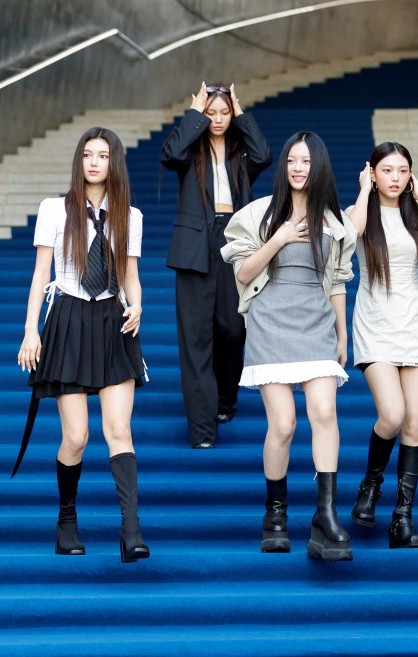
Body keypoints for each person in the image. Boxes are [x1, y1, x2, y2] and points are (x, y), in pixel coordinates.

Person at [17, 127, 151, 563]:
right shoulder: (55, 210)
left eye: (103, 155)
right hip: (70, 318)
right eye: (88, 155)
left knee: (119, 430)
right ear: (79, 161)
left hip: (114, 321)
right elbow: (41, 274)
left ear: (114, 164)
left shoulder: (130, 215)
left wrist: (137, 305)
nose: (94, 162)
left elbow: (129, 273)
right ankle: (66, 520)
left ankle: (130, 529)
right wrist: (30, 330)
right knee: (76, 436)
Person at [221, 131, 356, 561]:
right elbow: (243, 274)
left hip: (316, 323)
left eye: (307, 162)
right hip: (270, 321)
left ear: (319, 169)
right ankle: (275, 515)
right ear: (284, 167)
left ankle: (325, 515)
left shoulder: (333, 222)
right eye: (292, 161)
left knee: (324, 412)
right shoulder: (258, 215)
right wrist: (277, 238)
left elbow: (336, 281)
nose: (299, 169)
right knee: (283, 425)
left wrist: (342, 332)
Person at [346, 142, 418, 549]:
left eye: (403, 171)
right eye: (387, 170)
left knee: (414, 422)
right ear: (372, 172)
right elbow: (350, 233)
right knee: (391, 415)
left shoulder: (412, 216)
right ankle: (370, 486)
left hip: (415, 326)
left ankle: (402, 519)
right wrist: (363, 191)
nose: (395, 177)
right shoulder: (361, 213)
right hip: (375, 324)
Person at [161, 81, 272, 449]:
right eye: (213, 113)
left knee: (233, 329)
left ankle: (225, 400)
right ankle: (203, 430)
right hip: (195, 244)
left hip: (235, 241)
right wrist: (194, 113)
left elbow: (265, 154)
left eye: (225, 113)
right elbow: (169, 153)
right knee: (195, 339)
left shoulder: (241, 152)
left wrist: (240, 112)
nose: (219, 119)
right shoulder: (189, 149)